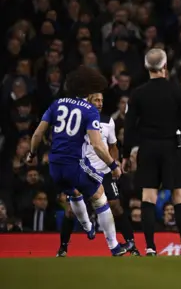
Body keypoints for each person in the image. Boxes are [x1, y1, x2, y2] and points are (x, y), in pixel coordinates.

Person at [26, 67, 126, 256]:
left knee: (73, 193)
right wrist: (113, 165)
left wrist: (31, 154)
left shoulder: (56, 104)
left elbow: (38, 133)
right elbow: (97, 144)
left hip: (54, 165)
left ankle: (88, 227)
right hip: (74, 163)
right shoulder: (89, 110)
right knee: (99, 195)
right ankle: (115, 247)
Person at [122, 48, 181, 256]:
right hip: (173, 148)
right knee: (179, 194)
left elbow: (129, 126)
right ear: (165, 67)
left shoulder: (137, 94)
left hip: (148, 148)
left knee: (148, 196)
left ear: (146, 67)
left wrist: (125, 155)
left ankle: (150, 247)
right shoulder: (177, 91)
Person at [56, 92, 140, 257]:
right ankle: (63, 248)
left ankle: (132, 245)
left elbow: (113, 146)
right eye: (96, 100)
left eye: (102, 100)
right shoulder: (77, 120)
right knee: (71, 211)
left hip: (103, 171)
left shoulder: (108, 121)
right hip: (81, 171)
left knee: (115, 206)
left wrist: (113, 164)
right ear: (88, 101)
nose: (100, 103)